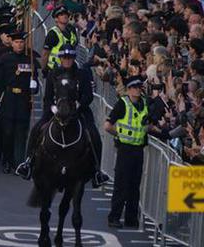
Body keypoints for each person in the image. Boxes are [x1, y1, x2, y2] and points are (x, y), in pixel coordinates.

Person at [16, 45, 110, 187]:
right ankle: (28, 163)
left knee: (94, 135)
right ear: (60, 59)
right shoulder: (54, 73)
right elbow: (47, 97)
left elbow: (88, 96)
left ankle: (97, 171)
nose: (67, 61)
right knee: (36, 129)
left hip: (79, 111)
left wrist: (79, 104)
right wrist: (53, 108)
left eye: (70, 58)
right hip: (56, 110)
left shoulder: (82, 74)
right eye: (65, 58)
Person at [105, 76, 155, 229]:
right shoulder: (123, 103)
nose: (138, 90)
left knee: (134, 185)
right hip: (125, 149)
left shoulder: (144, 104)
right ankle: (114, 217)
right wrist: (119, 135)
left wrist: (146, 129)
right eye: (134, 87)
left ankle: (131, 219)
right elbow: (107, 125)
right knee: (121, 184)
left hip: (138, 149)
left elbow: (147, 124)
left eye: (139, 87)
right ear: (128, 90)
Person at [0, 31, 39, 173]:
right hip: (8, 98)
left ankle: (18, 162)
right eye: (16, 42)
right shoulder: (5, 59)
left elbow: (36, 83)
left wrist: (34, 85)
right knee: (7, 133)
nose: (19, 45)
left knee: (21, 133)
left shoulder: (29, 60)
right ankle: (7, 160)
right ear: (12, 43)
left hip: (23, 100)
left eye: (21, 42)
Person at [41, 5, 78, 73]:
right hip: (55, 70)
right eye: (61, 14)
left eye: (66, 14)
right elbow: (45, 53)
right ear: (56, 19)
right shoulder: (53, 33)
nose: (65, 16)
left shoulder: (72, 31)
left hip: (70, 68)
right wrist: (44, 68)